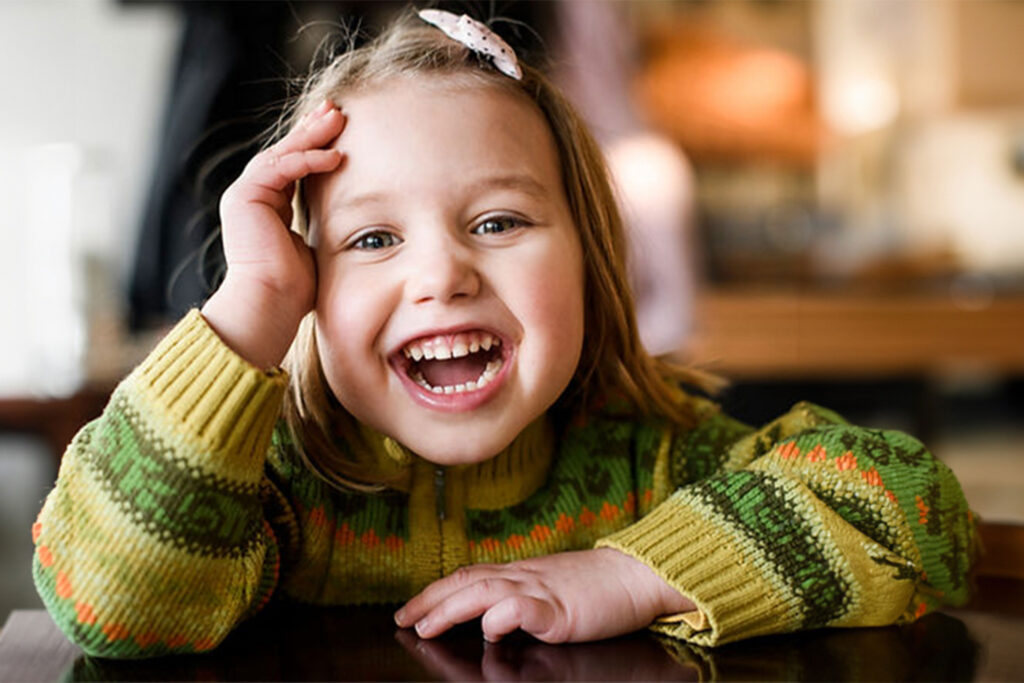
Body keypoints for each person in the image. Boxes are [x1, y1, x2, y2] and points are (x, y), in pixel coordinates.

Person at [32, 9, 975, 659]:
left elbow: (921, 514)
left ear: (590, 258)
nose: (442, 274)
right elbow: (108, 602)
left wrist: (637, 570)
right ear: (310, 286)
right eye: (372, 239)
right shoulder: (271, 485)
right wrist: (249, 308)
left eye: (498, 222)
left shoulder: (654, 461)